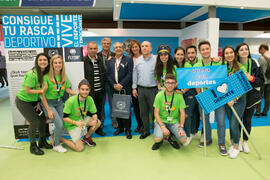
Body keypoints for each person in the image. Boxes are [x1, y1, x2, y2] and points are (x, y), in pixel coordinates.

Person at [15, 53, 52, 155]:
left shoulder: (43, 74)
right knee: (34, 122)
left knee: (42, 119)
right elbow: (28, 90)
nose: (42, 62)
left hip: (34, 101)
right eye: (40, 60)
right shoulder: (32, 74)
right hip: (23, 101)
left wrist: (41, 102)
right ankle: (33, 146)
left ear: (48, 62)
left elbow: (41, 92)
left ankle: (42, 141)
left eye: (45, 60)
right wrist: (41, 91)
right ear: (36, 62)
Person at [194, 41, 227, 155]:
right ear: (200, 51)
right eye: (203, 49)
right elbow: (195, 83)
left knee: (221, 121)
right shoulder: (197, 66)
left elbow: (224, 77)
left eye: (207, 48)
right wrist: (199, 95)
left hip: (218, 95)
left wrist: (219, 59)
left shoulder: (218, 62)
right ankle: (208, 139)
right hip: (205, 96)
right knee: (205, 121)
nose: (205, 51)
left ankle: (222, 143)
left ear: (210, 49)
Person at [41, 54, 77, 153]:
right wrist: (48, 109)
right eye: (55, 63)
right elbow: (42, 95)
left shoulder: (63, 76)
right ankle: (56, 145)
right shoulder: (46, 77)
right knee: (59, 124)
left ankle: (53, 137)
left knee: (62, 123)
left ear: (62, 64)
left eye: (60, 62)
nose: (58, 64)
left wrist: (78, 94)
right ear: (52, 64)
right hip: (48, 103)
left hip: (59, 102)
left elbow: (67, 89)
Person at [236, 43, 264, 153]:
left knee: (247, 120)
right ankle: (237, 140)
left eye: (246, 49)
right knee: (237, 121)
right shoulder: (235, 64)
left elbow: (261, 81)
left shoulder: (255, 63)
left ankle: (245, 141)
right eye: (241, 49)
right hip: (238, 98)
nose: (244, 51)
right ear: (237, 52)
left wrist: (251, 78)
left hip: (252, 98)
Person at [61, 79, 101, 152]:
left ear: (89, 90)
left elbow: (94, 113)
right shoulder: (71, 101)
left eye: (87, 90)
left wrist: (94, 120)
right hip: (72, 124)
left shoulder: (89, 99)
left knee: (98, 122)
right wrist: (76, 123)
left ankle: (86, 137)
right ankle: (60, 138)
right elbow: (65, 118)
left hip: (82, 120)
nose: (85, 92)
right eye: (82, 89)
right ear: (78, 90)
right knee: (79, 148)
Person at [222, 46, 247, 158]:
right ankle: (233, 144)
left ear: (235, 54)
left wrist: (235, 99)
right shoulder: (223, 68)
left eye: (231, 52)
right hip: (227, 100)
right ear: (224, 56)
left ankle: (237, 147)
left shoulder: (241, 67)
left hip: (239, 100)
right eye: (226, 53)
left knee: (234, 123)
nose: (229, 55)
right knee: (231, 124)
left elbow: (244, 86)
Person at [152, 74, 187, 150]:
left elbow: (183, 113)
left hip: (174, 122)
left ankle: (170, 137)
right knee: (157, 139)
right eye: (168, 83)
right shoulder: (159, 95)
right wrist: (162, 127)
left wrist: (181, 127)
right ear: (164, 84)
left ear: (175, 84)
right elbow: (156, 113)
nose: (170, 85)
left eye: (172, 83)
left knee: (184, 140)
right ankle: (161, 139)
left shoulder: (179, 96)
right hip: (161, 121)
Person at [107, 42, 133, 139]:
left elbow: (130, 74)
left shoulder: (128, 59)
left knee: (126, 110)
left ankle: (127, 129)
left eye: (120, 47)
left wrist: (121, 84)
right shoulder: (110, 61)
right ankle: (120, 128)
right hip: (114, 89)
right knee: (117, 109)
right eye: (116, 47)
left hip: (125, 89)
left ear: (123, 49)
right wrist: (114, 85)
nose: (118, 49)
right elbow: (108, 75)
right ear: (114, 49)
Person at [132, 41, 158, 139]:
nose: (144, 48)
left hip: (153, 90)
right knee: (143, 112)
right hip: (141, 89)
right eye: (142, 46)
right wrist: (134, 88)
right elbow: (135, 74)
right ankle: (146, 130)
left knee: (154, 112)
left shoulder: (156, 59)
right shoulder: (138, 60)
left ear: (151, 48)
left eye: (146, 46)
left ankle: (156, 131)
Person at [84, 41, 106, 136]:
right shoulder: (83, 61)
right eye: (91, 48)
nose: (93, 50)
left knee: (99, 110)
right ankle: (89, 129)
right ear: (87, 49)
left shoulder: (100, 60)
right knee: (89, 112)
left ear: (97, 49)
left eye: (95, 48)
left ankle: (98, 128)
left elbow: (104, 74)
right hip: (89, 93)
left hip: (100, 91)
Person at [97, 38, 117, 129]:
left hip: (112, 82)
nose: (106, 45)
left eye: (108, 43)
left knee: (113, 103)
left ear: (110, 45)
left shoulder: (114, 55)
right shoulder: (97, 55)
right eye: (104, 43)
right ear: (101, 44)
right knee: (101, 104)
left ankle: (114, 121)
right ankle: (101, 122)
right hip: (101, 82)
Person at [184, 45, 201, 138]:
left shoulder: (201, 63)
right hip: (189, 92)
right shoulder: (185, 65)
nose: (190, 55)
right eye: (188, 53)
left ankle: (194, 132)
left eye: (192, 53)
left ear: (196, 53)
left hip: (201, 92)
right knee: (188, 113)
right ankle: (188, 134)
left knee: (197, 113)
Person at [129, 40, 143, 133]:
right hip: (133, 86)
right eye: (133, 47)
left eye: (136, 46)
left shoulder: (144, 57)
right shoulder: (129, 59)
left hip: (142, 85)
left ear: (139, 47)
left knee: (143, 107)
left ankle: (144, 125)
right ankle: (139, 124)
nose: (134, 48)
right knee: (136, 107)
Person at [255, 44, 270, 117]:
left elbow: (257, 69)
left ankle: (257, 112)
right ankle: (265, 112)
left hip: (262, 81)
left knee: (259, 96)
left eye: (259, 49)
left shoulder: (261, 58)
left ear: (263, 49)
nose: (258, 51)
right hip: (269, 80)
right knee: (268, 97)